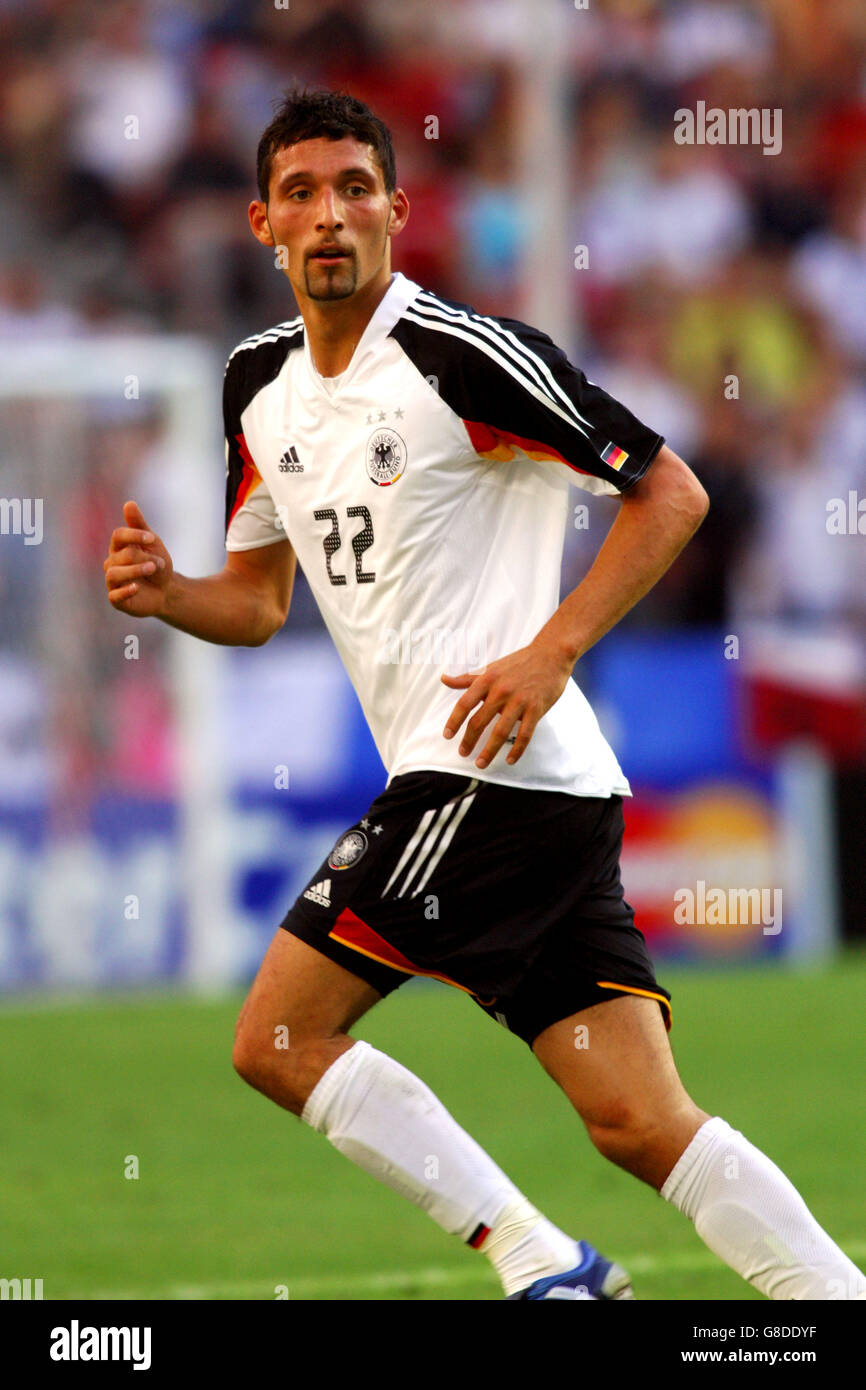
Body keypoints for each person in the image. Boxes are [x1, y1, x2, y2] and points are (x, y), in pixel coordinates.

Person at [104, 88, 865, 1301]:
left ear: (398, 211)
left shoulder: (462, 355)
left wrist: (551, 647)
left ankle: (538, 1261)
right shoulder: (258, 385)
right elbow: (256, 602)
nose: (329, 215)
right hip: (529, 790)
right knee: (635, 1119)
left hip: (488, 766)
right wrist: (170, 593)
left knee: (277, 1037)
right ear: (262, 222)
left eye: (355, 189)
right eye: (300, 193)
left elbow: (668, 491)